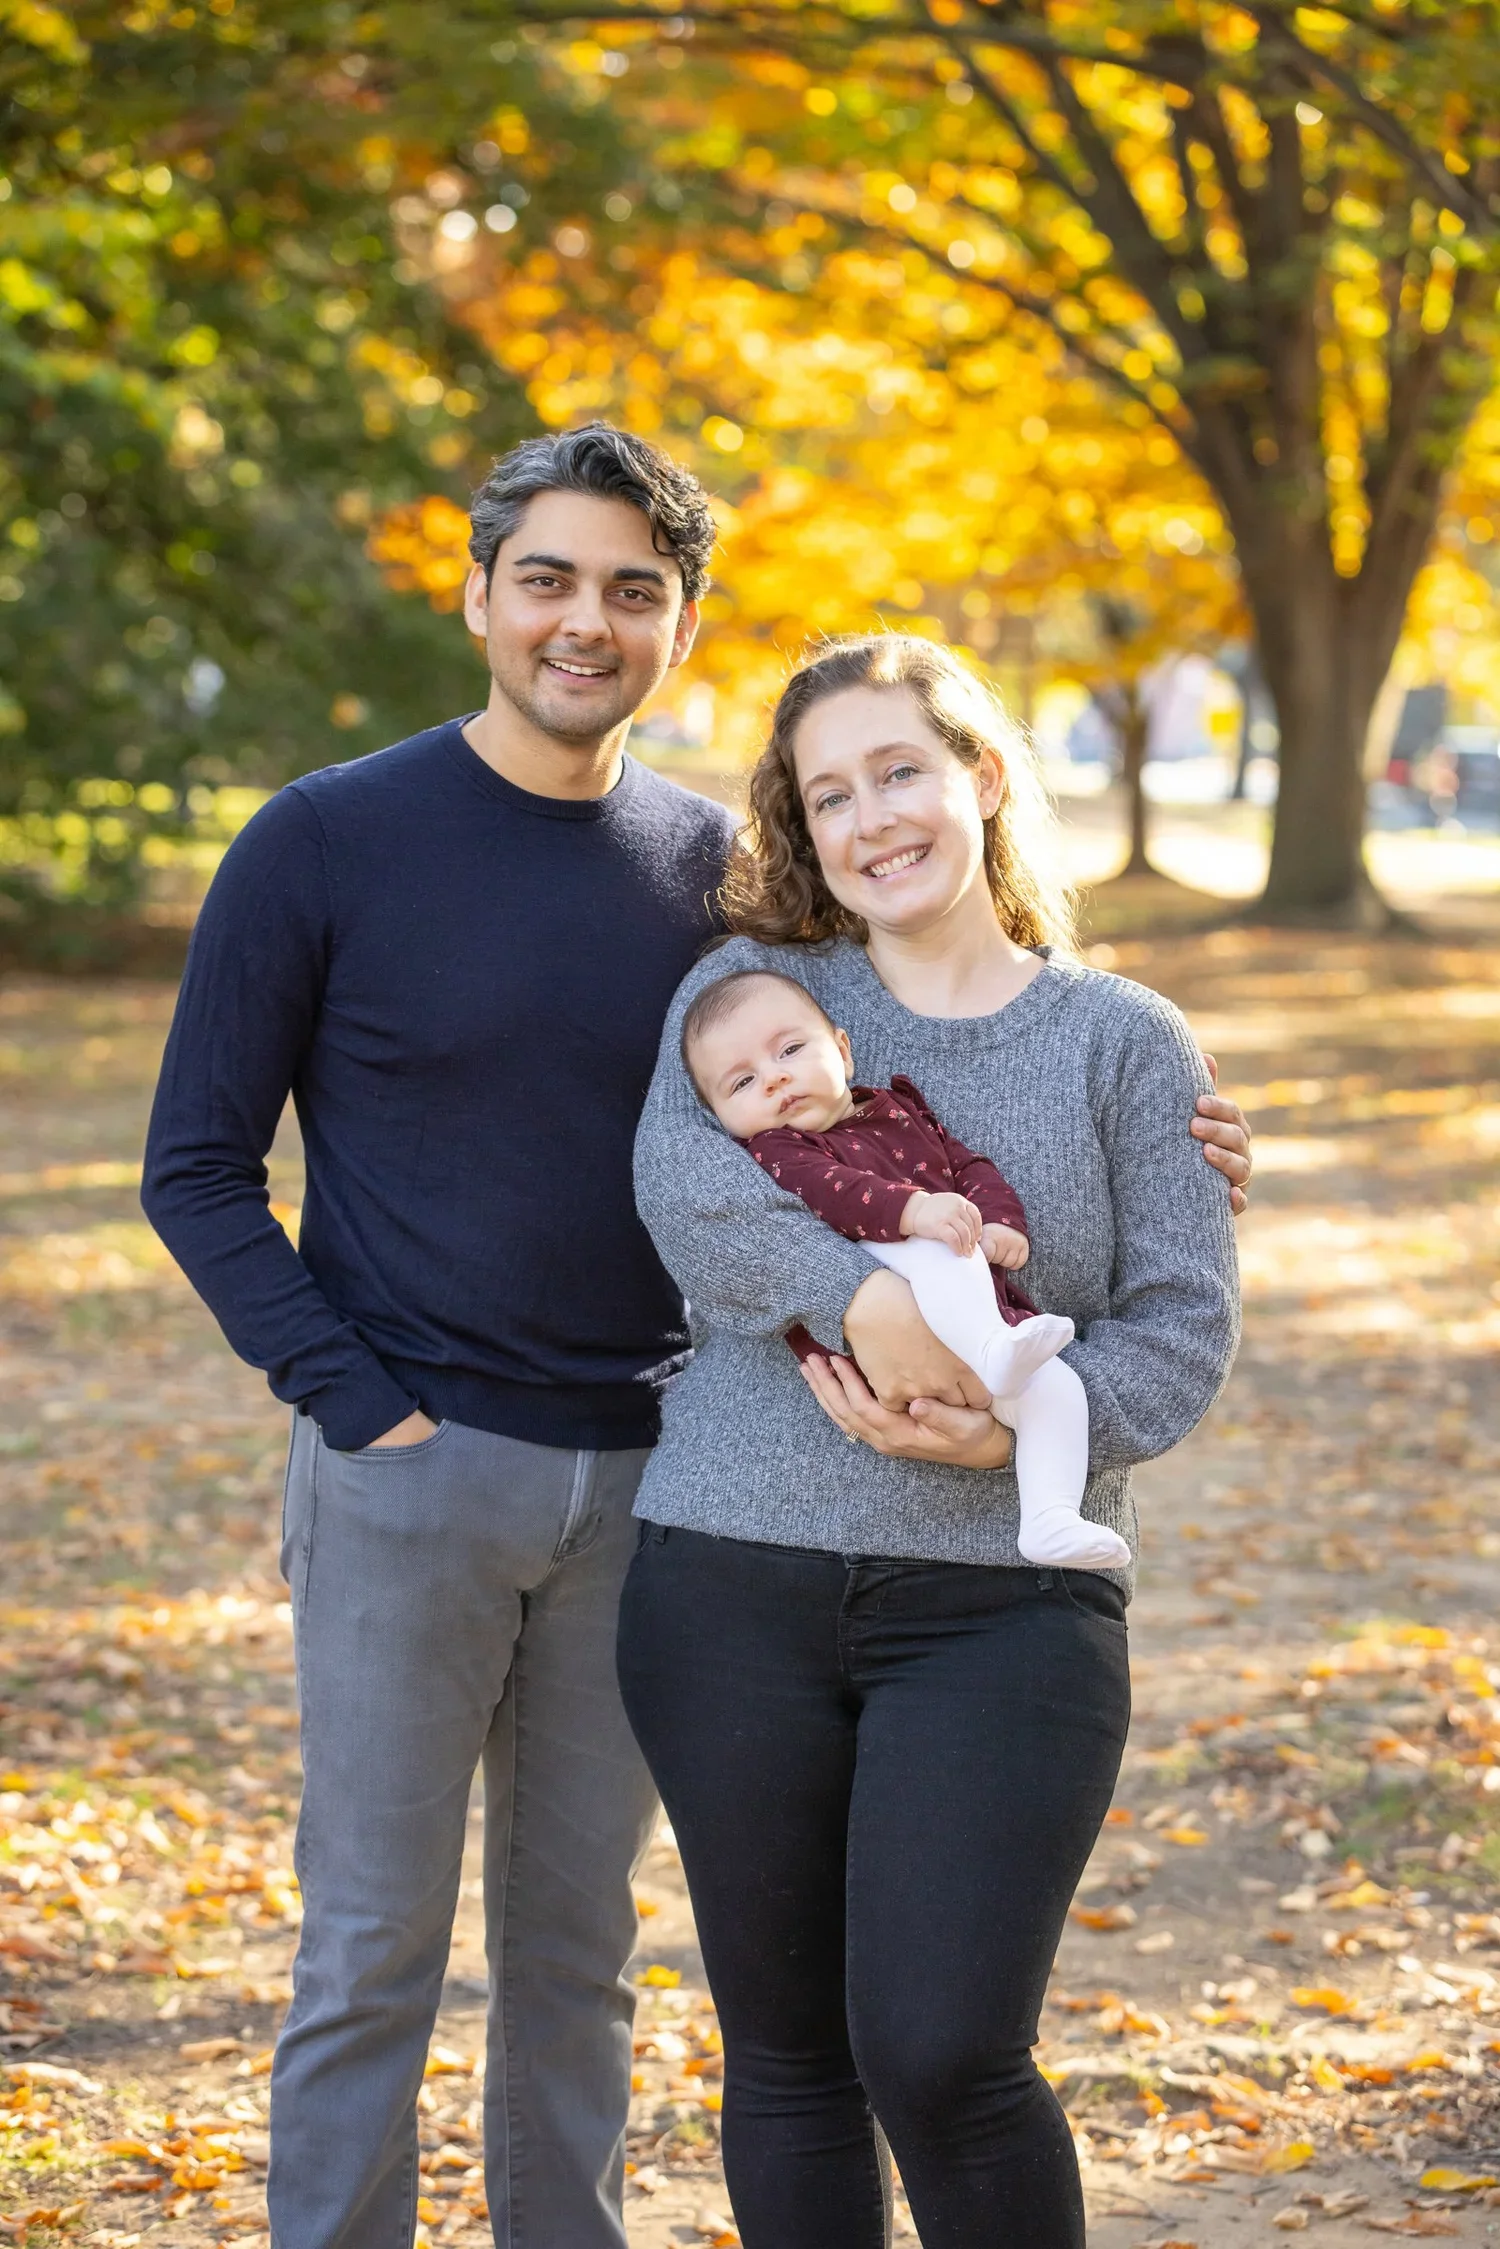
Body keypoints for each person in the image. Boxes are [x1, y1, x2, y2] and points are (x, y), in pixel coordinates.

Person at [139, 421, 1252, 2249]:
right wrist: (357, 1403)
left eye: (632, 590)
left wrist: (1204, 1137)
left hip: (658, 1488)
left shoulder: (714, 885)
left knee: (582, 1958)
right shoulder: (327, 837)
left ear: (681, 620)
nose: (588, 621)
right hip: (438, 1466)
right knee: (373, 1950)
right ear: (481, 592)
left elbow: (954, 1097)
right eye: (551, 580)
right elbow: (208, 1161)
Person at [619, 631, 1243, 2249]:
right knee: (791, 2055)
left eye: (899, 768)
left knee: (947, 2050)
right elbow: (683, 1191)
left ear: (979, 772)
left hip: (1002, 1604)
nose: (871, 815)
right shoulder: (754, 993)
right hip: (729, 1581)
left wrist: (1032, 1427)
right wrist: (858, 1297)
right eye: (829, 793)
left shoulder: (1125, 1039)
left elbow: (1182, 1313)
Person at [681, 967, 1126, 1570]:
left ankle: (1050, 1519)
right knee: (941, 1250)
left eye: (790, 1049)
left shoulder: (897, 1109)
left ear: (841, 1048)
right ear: (720, 1117)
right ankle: (994, 1348)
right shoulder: (779, 1148)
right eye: (741, 1083)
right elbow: (833, 1191)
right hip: (878, 1315)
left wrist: (997, 1222)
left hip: (968, 1302)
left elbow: (968, 1166)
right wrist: (917, 1209)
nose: (775, 1078)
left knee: (1058, 1390)